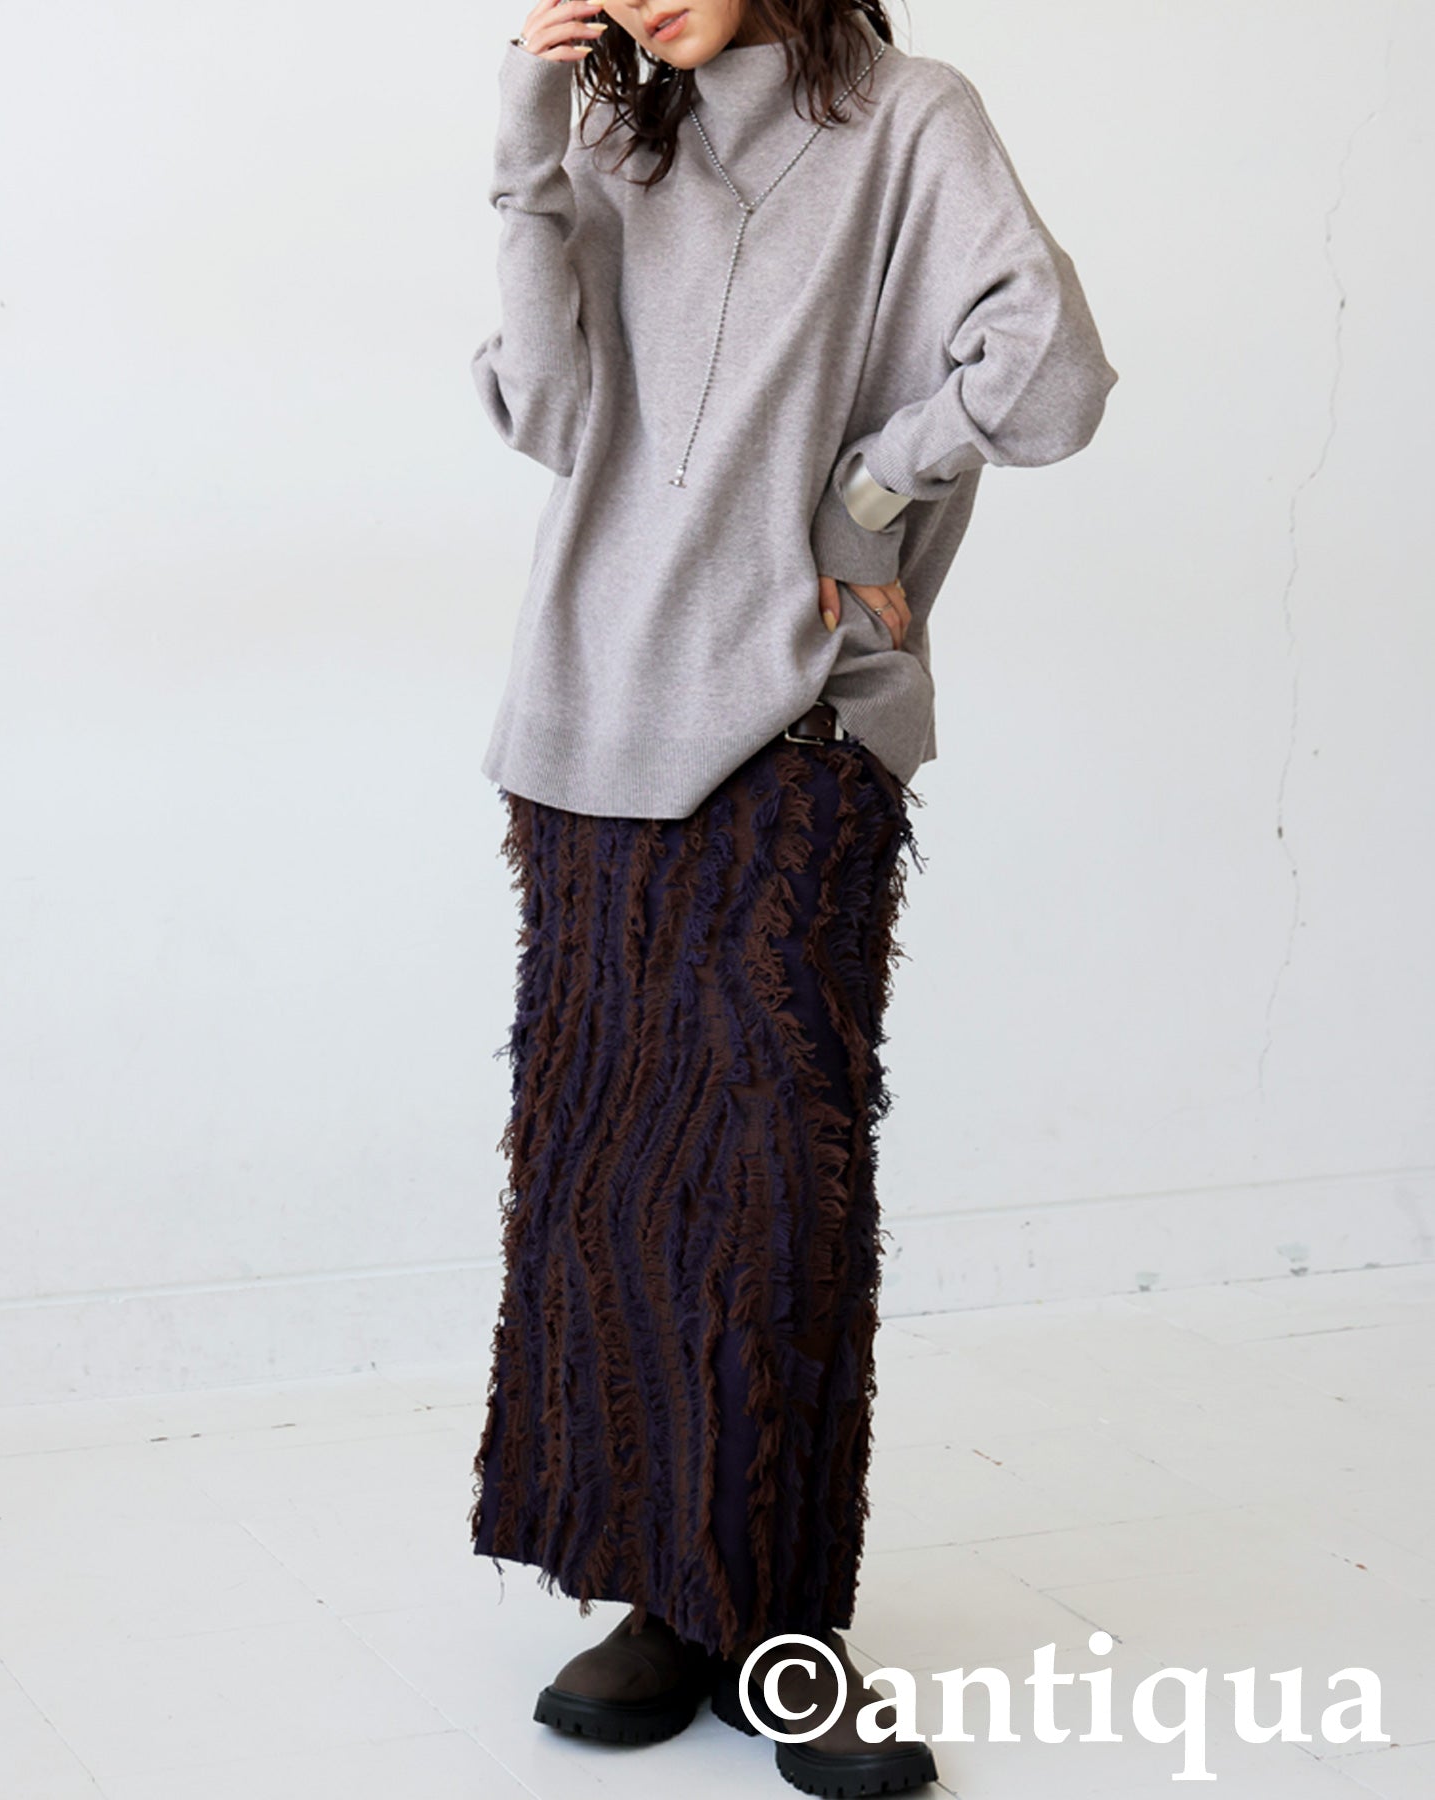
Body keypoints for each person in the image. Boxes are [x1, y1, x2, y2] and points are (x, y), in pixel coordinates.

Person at [465, 2, 1119, 1793]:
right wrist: (527, 142)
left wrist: (874, 493)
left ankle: (784, 1629)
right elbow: (549, 415)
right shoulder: (618, 140)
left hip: (797, 724)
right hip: (591, 719)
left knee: (775, 1192)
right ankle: (660, 1593)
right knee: (607, 1180)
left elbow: (1053, 369)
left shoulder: (909, 119)